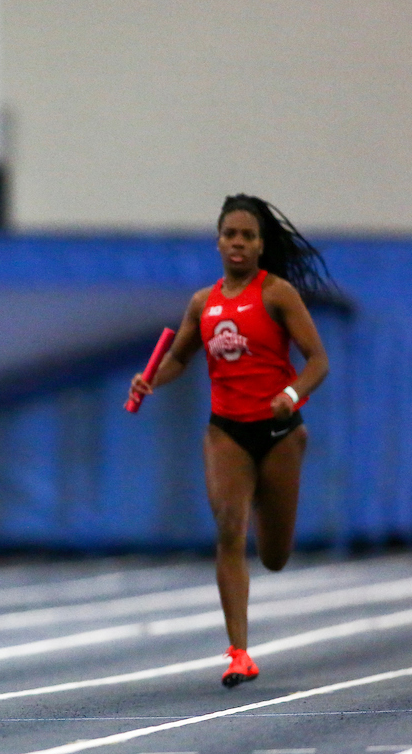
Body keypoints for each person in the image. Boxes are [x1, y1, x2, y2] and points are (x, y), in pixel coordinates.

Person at [129, 194, 331, 688]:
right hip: (227, 431)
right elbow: (178, 358)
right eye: (230, 235)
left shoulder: (278, 294)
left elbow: (318, 361)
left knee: (275, 557)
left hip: (280, 431)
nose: (238, 243)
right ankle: (239, 652)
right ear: (218, 241)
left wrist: (290, 394)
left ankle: (267, 498)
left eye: (248, 236)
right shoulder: (204, 302)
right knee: (227, 527)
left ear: (261, 245)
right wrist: (152, 379)